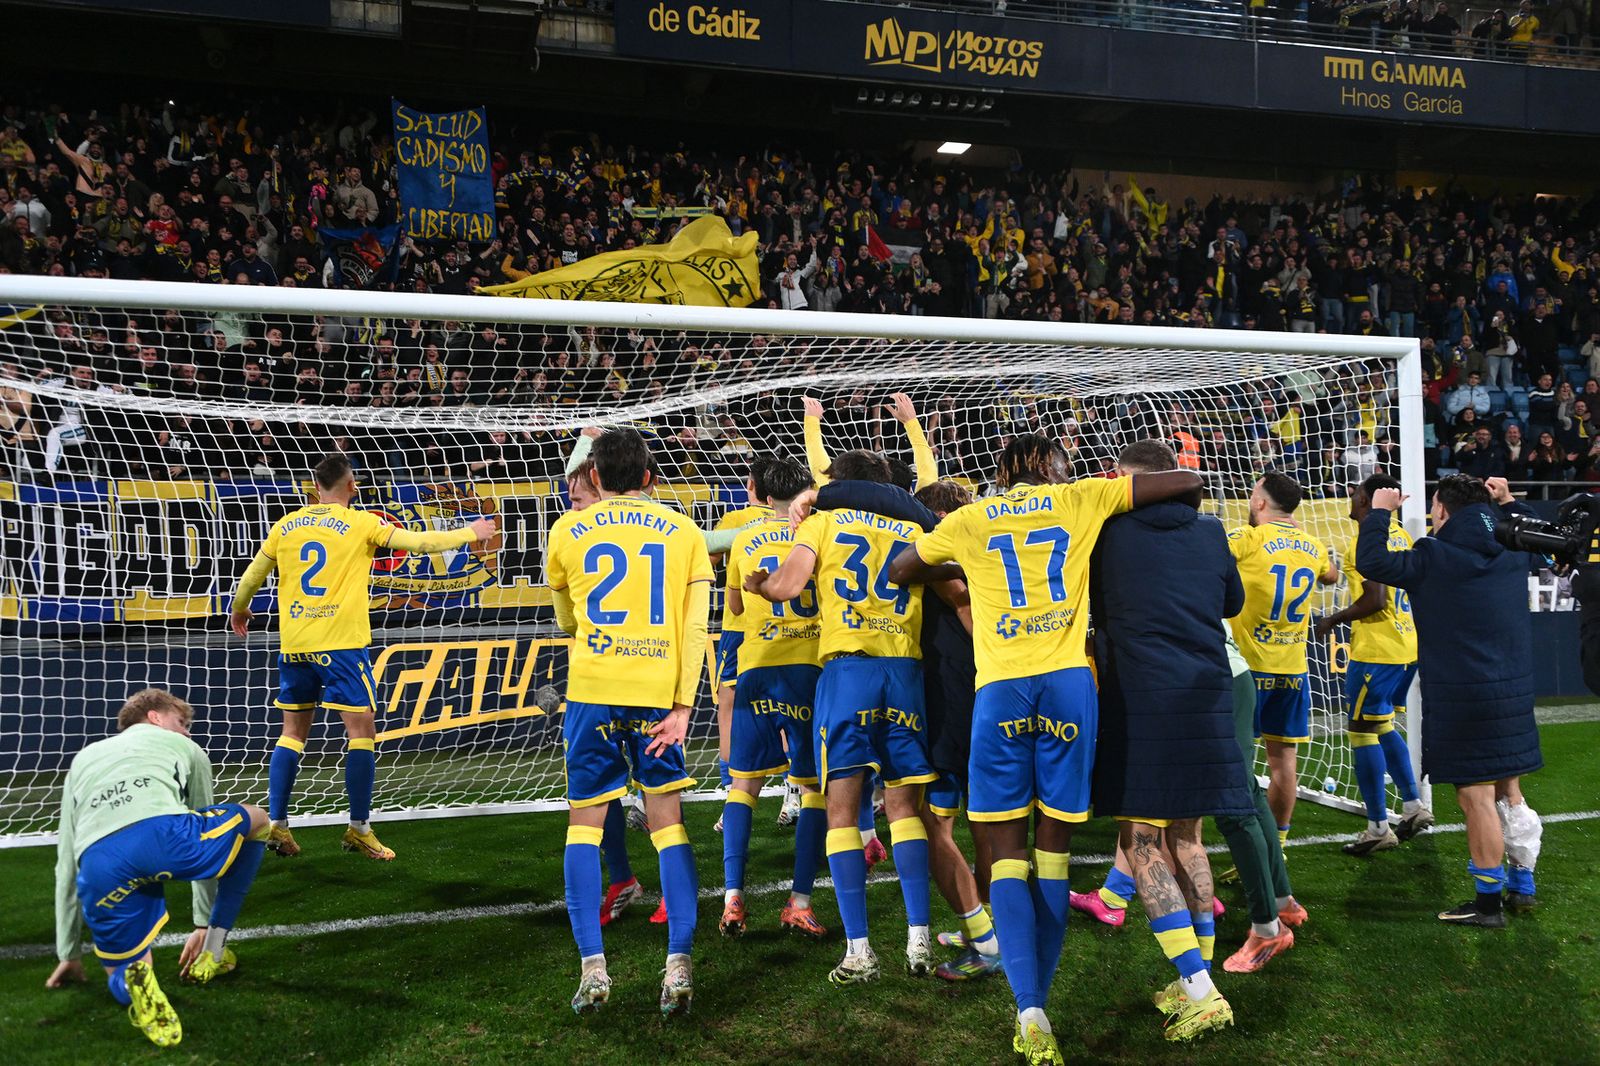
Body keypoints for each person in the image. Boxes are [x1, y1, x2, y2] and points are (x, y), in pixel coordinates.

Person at [889, 434, 1202, 1065]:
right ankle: (1045, 997)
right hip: (1067, 689)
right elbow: (1187, 482)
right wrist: (1114, 492)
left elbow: (899, 569)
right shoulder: (1081, 498)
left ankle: (1030, 1013)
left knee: (1005, 853)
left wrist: (960, 565)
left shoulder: (973, 519)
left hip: (1001, 691)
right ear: (1054, 469)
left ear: (1004, 473)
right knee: (1053, 854)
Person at [229, 454, 496, 861]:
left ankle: (278, 824)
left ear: (315, 486)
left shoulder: (286, 525)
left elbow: (251, 576)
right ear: (352, 485)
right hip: (339, 644)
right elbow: (421, 543)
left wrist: (239, 609)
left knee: (292, 733)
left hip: (295, 643)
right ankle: (359, 828)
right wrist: (470, 532)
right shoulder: (361, 523)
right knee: (361, 732)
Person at [745, 449, 937, 986]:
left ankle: (859, 952)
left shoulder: (823, 520)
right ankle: (919, 938)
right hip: (905, 670)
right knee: (903, 810)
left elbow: (787, 586)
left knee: (841, 813)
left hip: (848, 672)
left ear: (838, 483)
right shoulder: (912, 527)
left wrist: (759, 584)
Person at [802, 475, 1003, 981]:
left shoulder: (921, 550)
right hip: (967, 693)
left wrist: (818, 497)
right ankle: (971, 929)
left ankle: (982, 939)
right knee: (973, 821)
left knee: (923, 824)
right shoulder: (964, 557)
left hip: (931, 696)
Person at [1088, 440, 1253, 1042]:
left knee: (1141, 840)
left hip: (1142, 697)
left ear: (1127, 481)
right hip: (1206, 691)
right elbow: (1231, 601)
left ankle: (1200, 991)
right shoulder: (1211, 532)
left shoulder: (1107, 533)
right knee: (1188, 835)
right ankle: (1197, 977)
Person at [546, 428, 711, 1014]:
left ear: (594, 477)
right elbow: (696, 630)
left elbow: (567, 620)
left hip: (592, 692)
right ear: (648, 477)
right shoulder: (686, 532)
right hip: (657, 697)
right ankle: (678, 964)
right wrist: (684, 707)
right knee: (668, 827)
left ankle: (593, 969)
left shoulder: (566, 530)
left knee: (583, 829)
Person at [1357, 475, 1543, 927]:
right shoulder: (1513, 548)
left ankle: (1488, 904)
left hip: (1464, 695)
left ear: (1441, 511)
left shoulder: (1433, 555)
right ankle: (1522, 883)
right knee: (1509, 789)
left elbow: (1373, 562)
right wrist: (1509, 503)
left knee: (1476, 798)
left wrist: (1379, 512)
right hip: (1513, 690)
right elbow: (1537, 532)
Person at [49, 689, 271, 1048]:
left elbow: (65, 863)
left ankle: (131, 981)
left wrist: (69, 952)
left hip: (99, 864)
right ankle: (214, 947)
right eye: (181, 722)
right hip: (164, 838)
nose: (186, 731)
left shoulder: (83, 759)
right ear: (154, 716)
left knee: (125, 969)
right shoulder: (187, 748)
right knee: (259, 820)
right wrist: (202, 923)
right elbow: (201, 816)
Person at [718, 458, 830, 940]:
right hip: (809, 668)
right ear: (807, 491)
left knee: (743, 785)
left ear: (763, 495)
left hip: (757, 668)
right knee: (814, 790)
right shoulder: (819, 531)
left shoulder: (744, 537)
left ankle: (732, 897)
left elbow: (735, 605)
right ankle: (799, 903)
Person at [1313, 475, 1434, 856]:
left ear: (1366, 500)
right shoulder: (1401, 536)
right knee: (1381, 725)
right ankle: (1413, 807)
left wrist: (1333, 619)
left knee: (1362, 733)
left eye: (1354, 495)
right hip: (1406, 646)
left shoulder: (1365, 542)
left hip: (1377, 651)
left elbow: (1376, 599)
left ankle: (1378, 828)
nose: (1350, 501)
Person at [1227, 473, 1338, 850]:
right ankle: (1279, 846)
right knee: (1283, 762)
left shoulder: (1248, 538)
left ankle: (1250, 849)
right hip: (1292, 671)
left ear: (1260, 502)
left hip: (1247, 669)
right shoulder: (1313, 545)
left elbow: (1207, 557)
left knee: (1237, 759)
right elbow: (1331, 575)